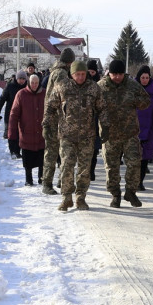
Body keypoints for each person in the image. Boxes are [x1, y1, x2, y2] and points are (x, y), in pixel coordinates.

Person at [43, 60, 103, 212]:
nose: (81, 77)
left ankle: (81, 197)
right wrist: (46, 124)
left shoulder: (93, 88)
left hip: (87, 136)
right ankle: (66, 197)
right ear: (72, 74)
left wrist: (106, 127)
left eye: (83, 74)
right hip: (66, 135)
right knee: (67, 166)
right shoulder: (62, 86)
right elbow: (51, 107)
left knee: (84, 169)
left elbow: (103, 109)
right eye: (78, 74)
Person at [100, 59, 151, 207]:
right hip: (110, 135)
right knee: (112, 167)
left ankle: (131, 192)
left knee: (135, 163)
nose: (117, 77)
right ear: (109, 73)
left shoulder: (132, 85)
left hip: (130, 134)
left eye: (120, 74)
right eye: (114, 74)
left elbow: (146, 101)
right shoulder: (101, 87)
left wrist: (134, 101)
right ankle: (115, 195)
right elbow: (91, 106)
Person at [40, 48, 76, 195]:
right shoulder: (61, 74)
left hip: (52, 118)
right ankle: (48, 183)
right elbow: (64, 96)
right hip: (56, 119)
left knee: (56, 152)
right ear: (70, 62)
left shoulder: (55, 71)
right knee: (55, 152)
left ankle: (58, 181)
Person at [8, 74, 46, 186]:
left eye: (36, 83)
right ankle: (28, 179)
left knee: (42, 156)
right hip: (26, 132)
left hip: (41, 131)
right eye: (32, 82)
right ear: (29, 83)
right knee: (27, 158)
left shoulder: (44, 93)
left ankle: (41, 177)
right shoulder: (21, 94)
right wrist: (11, 132)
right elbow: (14, 114)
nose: (34, 85)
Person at [134, 65, 153, 191]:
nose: (145, 80)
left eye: (147, 77)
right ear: (139, 78)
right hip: (134, 129)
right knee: (134, 158)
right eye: (143, 77)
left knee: (145, 158)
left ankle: (140, 181)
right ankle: (133, 181)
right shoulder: (133, 91)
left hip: (149, 129)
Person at [0, 70, 28, 157]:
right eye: (20, 78)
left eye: (24, 79)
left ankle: (17, 151)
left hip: (23, 114)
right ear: (17, 78)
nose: (22, 80)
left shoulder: (27, 87)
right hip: (10, 113)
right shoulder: (10, 86)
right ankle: (12, 151)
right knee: (11, 132)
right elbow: (2, 100)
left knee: (20, 133)